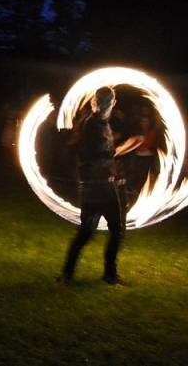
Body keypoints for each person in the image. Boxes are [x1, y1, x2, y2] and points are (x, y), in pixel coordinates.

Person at [60, 87, 141, 286]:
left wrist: (120, 150)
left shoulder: (98, 123)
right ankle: (107, 275)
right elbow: (100, 156)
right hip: (99, 188)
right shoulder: (93, 125)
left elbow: (102, 154)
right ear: (110, 103)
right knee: (113, 230)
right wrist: (125, 146)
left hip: (95, 187)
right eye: (108, 101)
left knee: (89, 232)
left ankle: (69, 275)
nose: (109, 105)